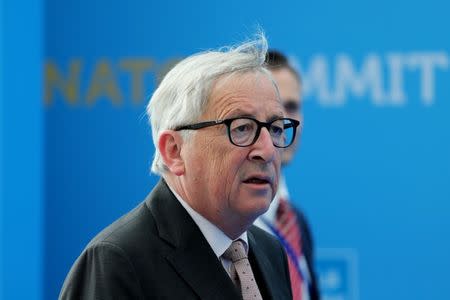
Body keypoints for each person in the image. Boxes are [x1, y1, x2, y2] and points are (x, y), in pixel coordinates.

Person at [59, 35, 301, 299]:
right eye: (242, 128)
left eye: (276, 129)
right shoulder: (117, 262)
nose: (267, 151)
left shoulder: (269, 251)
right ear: (174, 151)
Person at [254, 50, 320, 300]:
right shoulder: (226, 227)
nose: (284, 122)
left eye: (291, 107)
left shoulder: (295, 221)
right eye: (273, 109)